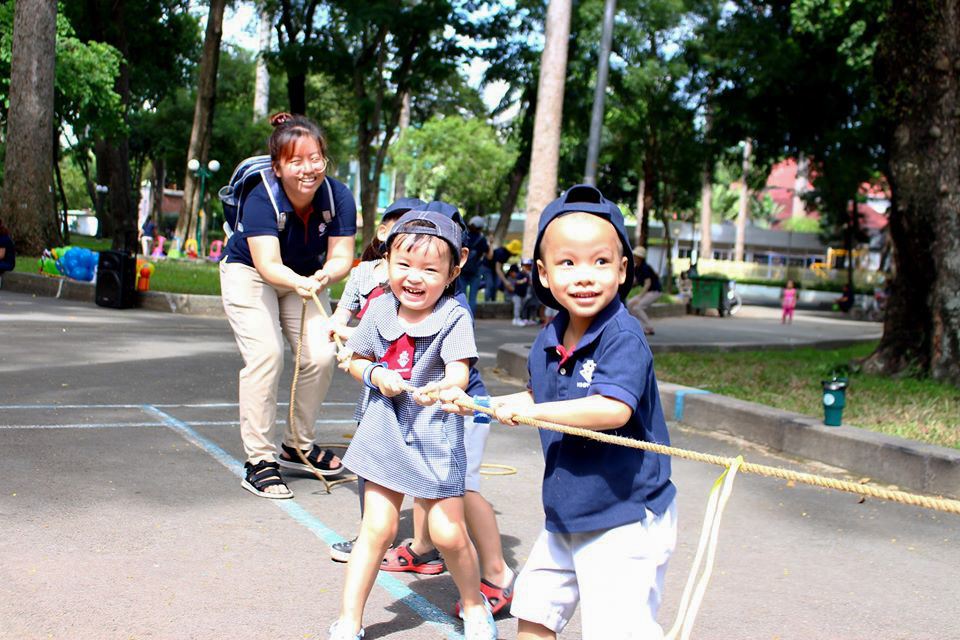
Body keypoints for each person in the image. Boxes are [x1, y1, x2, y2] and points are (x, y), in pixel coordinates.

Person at [437, 184, 677, 640]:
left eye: (600, 261)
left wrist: (535, 412)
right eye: (568, 263)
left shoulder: (622, 336)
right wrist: (486, 405)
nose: (584, 275)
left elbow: (612, 410)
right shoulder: (548, 340)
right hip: (567, 511)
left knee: (617, 631)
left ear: (623, 269)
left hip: (624, 515)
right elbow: (536, 399)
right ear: (544, 275)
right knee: (535, 612)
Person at [330, 200, 517, 620]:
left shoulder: (454, 316)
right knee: (376, 530)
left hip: (434, 434)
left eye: (430, 269)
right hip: (383, 429)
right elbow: (357, 359)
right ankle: (349, 620)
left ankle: (474, 606)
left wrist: (444, 388)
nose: (414, 278)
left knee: (448, 534)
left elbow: (459, 374)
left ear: (454, 269)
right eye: (403, 264)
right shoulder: (378, 307)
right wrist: (375, 374)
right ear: (387, 259)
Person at [219, 112, 356, 499]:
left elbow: (342, 256)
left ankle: (298, 444)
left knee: (322, 354)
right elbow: (268, 264)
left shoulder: (338, 196)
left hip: (306, 278)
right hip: (252, 273)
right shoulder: (263, 195)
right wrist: (303, 280)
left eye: (315, 159)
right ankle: (259, 461)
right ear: (278, 167)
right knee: (267, 354)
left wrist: (324, 276)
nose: (307, 169)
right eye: (295, 161)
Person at [626, 245, 662, 335]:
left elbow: (647, 284)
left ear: (640, 258)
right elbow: (636, 282)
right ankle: (634, 326)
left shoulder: (645, 268)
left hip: (655, 291)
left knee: (638, 307)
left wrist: (639, 297)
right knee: (629, 304)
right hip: (648, 292)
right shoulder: (637, 268)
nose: (634, 258)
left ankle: (649, 328)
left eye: (636, 256)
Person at [461, 216, 490, 314]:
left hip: (462, 269)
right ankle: (470, 321)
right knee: (473, 298)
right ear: (481, 227)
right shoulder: (482, 239)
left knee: (462, 296)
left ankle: (461, 319)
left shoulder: (463, 236)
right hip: (475, 270)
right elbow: (489, 256)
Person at [484, 238, 521, 303]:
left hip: (494, 269)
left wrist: (504, 277)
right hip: (487, 267)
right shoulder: (502, 253)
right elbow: (498, 269)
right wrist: (505, 282)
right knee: (490, 285)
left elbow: (499, 267)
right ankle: (487, 302)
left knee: (495, 285)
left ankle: (493, 302)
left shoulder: (507, 254)